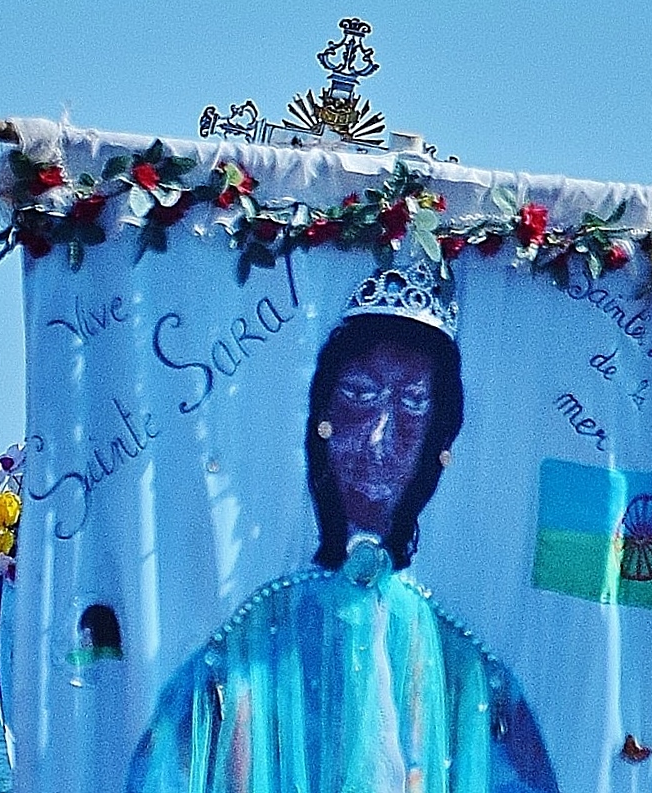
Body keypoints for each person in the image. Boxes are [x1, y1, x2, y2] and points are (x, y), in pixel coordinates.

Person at [129, 264, 559, 793]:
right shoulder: (246, 646)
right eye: (360, 394)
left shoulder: (467, 671)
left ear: (439, 433)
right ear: (322, 418)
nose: (381, 436)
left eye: (413, 403)